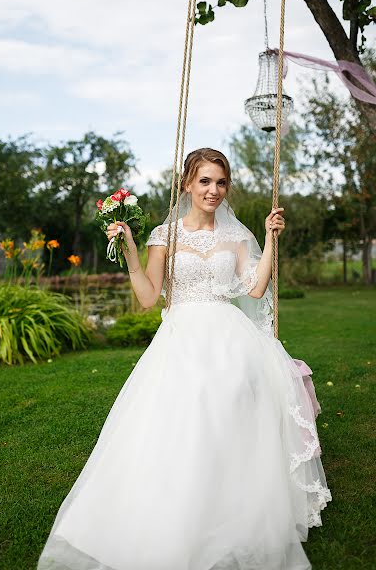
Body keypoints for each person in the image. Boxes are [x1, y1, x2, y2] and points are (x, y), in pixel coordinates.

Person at [37, 148, 331, 570]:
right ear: (188, 185)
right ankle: (179, 506)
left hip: (230, 335)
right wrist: (131, 250)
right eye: (205, 181)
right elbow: (147, 297)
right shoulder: (165, 235)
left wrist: (269, 239)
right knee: (186, 412)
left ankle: (231, 504)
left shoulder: (237, 236)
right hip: (182, 336)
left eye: (221, 182)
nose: (213, 190)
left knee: (230, 402)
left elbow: (253, 288)